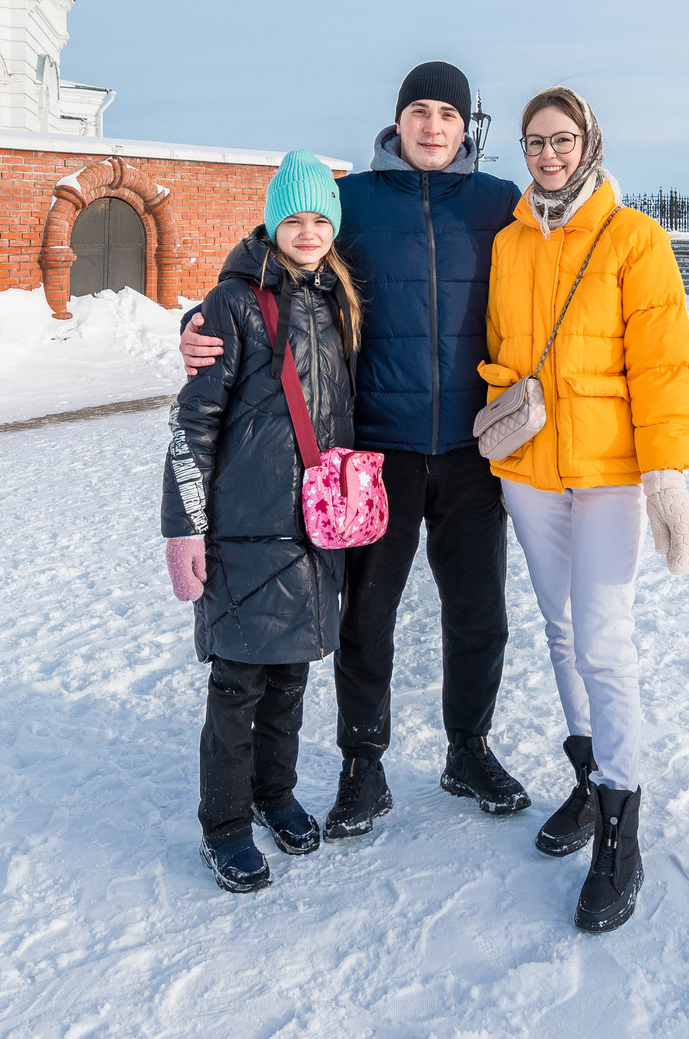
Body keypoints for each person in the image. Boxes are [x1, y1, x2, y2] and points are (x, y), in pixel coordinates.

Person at [180, 62, 528, 843]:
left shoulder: (499, 204)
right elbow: (275, 248)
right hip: (376, 453)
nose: (433, 125)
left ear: (467, 125)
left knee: (480, 614)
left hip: (473, 450)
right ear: (397, 121)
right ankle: (362, 767)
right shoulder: (359, 200)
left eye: (447, 113)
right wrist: (200, 324)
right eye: (419, 111)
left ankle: (468, 751)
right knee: (368, 618)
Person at [483, 86, 689, 933]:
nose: (548, 154)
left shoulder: (633, 237)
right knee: (560, 627)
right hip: (531, 469)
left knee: (604, 635)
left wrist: (665, 473)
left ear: (590, 143)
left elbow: (663, 362)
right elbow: (498, 346)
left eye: (562, 139)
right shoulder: (507, 240)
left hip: (609, 472)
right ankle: (585, 773)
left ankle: (620, 820)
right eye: (535, 141)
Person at [161, 152, 362, 893]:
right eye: (294, 218)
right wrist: (184, 528)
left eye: (320, 220)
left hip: (313, 533)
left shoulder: (334, 298)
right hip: (245, 534)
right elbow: (194, 423)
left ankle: (274, 793)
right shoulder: (235, 303)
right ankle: (223, 825)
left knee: (291, 681)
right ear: (273, 220)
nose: (307, 232)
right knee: (238, 688)